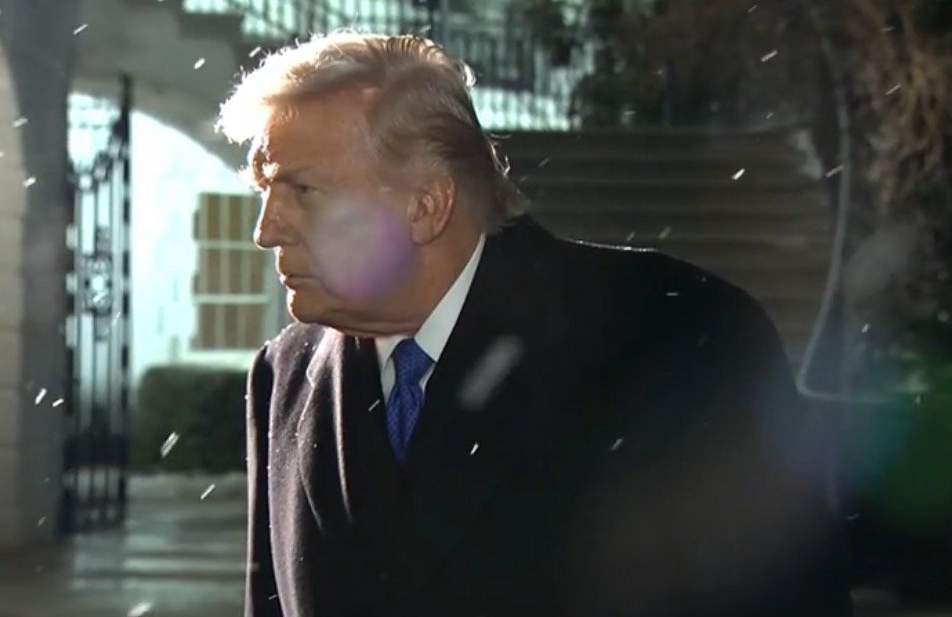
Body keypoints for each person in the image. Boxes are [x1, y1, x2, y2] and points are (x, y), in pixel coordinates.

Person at [219, 32, 853, 617]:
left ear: (425, 205)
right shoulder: (284, 375)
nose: (265, 228)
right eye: (263, 189)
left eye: (301, 190)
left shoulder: (678, 332)